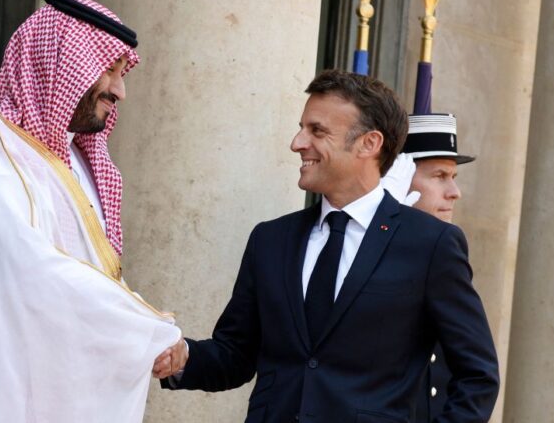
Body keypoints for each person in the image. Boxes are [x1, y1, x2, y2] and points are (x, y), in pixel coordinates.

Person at [0, 0, 181, 423]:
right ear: (62, 63)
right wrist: (145, 326)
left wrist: (146, 331)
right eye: (110, 70)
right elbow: (29, 272)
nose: (120, 90)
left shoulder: (78, 165)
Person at [159, 70, 499, 422]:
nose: (297, 142)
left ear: (369, 143)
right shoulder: (270, 240)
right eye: (302, 128)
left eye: (317, 131)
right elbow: (235, 355)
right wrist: (181, 356)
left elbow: (477, 376)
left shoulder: (431, 245)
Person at [382, 113, 478, 422]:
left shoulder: (445, 247)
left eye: (453, 177)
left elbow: (473, 372)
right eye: (439, 176)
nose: (454, 192)